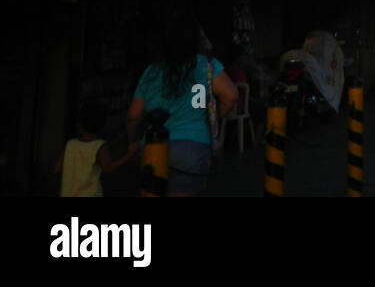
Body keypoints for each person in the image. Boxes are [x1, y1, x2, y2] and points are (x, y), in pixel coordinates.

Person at [127, 12, 238, 196]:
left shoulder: (152, 71)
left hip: (152, 149)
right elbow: (231, 96)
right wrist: (212, 118)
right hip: (192, 149)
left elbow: (133, 116)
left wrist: (132, 143)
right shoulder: (207, 66)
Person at [55, 101, 137, 197]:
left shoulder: (70, 144)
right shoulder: (99, 146)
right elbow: (108, 167)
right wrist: (129, 155)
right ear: (102, 126)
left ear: (79, 124)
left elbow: (57, 169)